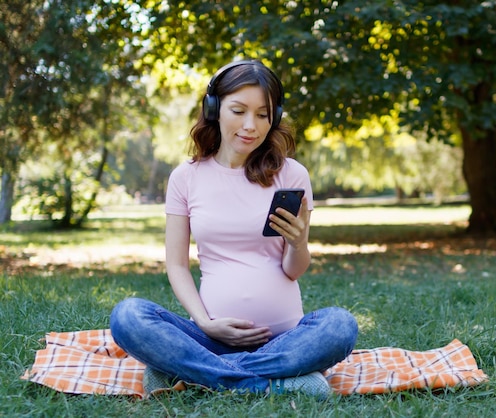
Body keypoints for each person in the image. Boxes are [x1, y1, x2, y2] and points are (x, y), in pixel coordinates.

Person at [109, 60, 358, 399]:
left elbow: (292, 270)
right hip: (209, 338)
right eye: (238, 111)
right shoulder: (186, 177)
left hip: (285, 340)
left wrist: (299, 243)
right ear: (214, 109)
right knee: (128, 316)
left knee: (340, 326)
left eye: (262, 115)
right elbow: (177, 265)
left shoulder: (292, 175)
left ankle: (191, 372)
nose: (250, 126)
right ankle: (274, 383)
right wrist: (204, 323)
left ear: (275, 117)